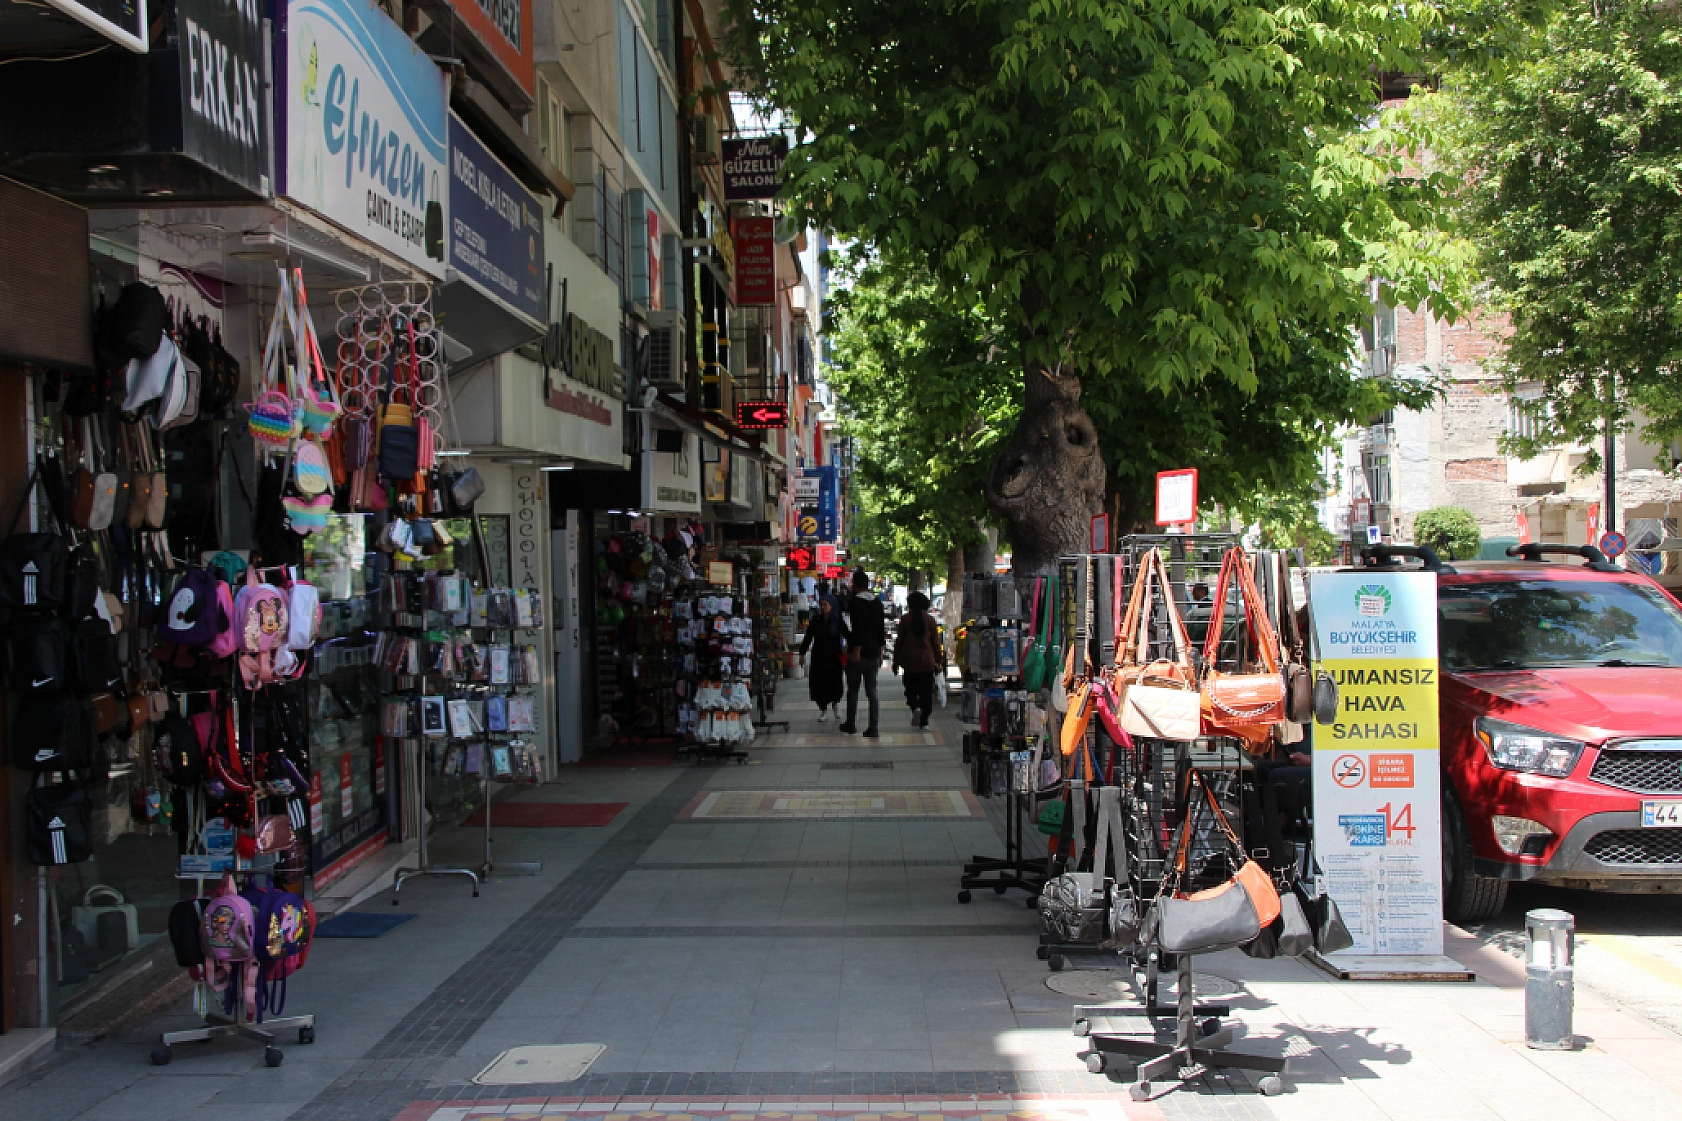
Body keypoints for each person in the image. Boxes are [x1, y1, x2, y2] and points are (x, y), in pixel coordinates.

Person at [839, 568, 886, 738]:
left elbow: (858, 627)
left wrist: (856, 650)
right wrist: (881, 651)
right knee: (872, 691)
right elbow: (880, 628)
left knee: (853, 689)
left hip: (858, 653)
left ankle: (851, 724)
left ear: (856, 585)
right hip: (873, 653)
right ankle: (873, 727)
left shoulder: (855, 603)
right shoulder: (877, 602)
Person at [893, 591, 945, 727]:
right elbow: (936, 643)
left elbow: (899, 642)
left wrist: (896, 661)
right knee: (926, 692)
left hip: (909, 661)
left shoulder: (905, 620)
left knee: (910, 689)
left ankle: (915, 707)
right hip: (927, 661)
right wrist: (939, 660)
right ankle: (924, 720)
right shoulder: (930, 620)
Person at [798, 597, 848, 721]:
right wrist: (802, 654)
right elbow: (808, 637)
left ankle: (835, 704)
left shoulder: (837, 620)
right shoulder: (816, 620)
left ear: (832, 606)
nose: (823, 607)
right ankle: (823, 710)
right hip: (819, 658)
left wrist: (850, 649)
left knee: (835, 683)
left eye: (826, 604)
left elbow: (847, 634)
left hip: (834, 658)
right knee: (819, 684)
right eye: (822, 605)